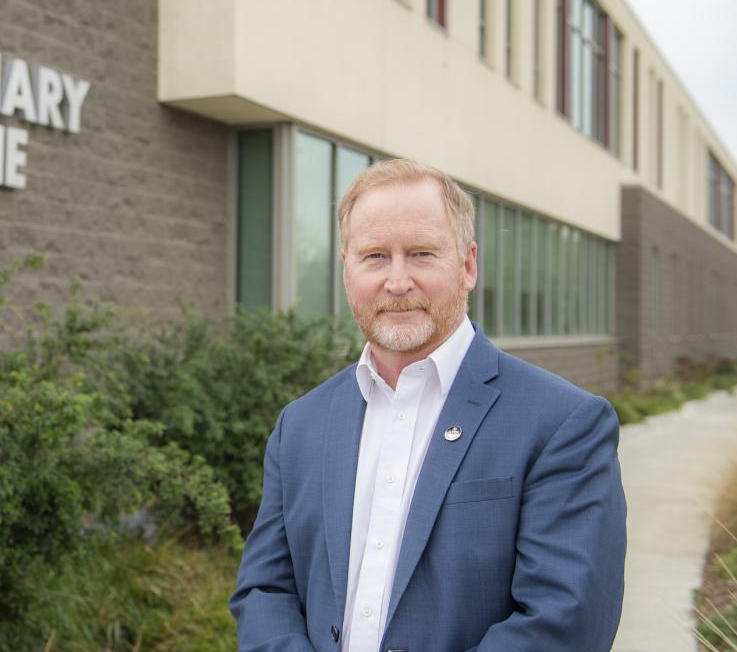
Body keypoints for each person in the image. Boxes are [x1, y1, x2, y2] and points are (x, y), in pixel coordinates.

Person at [229, 159, 626, 651]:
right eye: (375, 256)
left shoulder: (563, 423)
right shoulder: (301, 426)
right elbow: (265, 590)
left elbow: (567, 621)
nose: (397, 281)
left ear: (468, 265)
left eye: (421, 254)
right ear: (346, 270)